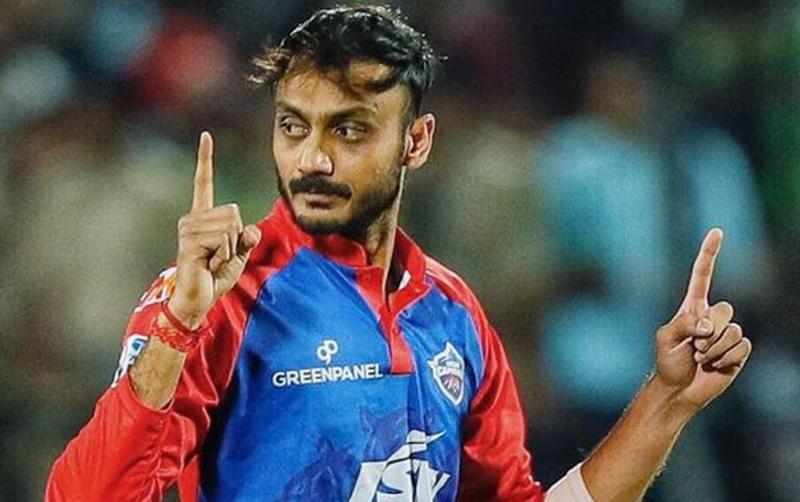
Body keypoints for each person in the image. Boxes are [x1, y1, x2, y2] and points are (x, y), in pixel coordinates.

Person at [46, 6, 752, 501]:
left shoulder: (452, 313)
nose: (313, 158)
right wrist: (176, 329)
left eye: (350, 130)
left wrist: (665, 402)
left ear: (415, 141)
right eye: (293, 127)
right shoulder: (220, 296)